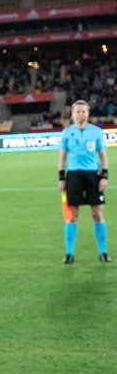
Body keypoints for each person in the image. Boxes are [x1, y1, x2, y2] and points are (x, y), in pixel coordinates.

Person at [58, 100, 110, 264]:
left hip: (92, 176)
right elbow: (63, 156)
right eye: (78, 112)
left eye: (84, 111)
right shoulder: (67, 133)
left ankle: (103, 252)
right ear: (72, 114)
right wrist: (61, 177)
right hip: (73, 176)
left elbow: (102, 155)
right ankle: (69, 253)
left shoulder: (96, 132)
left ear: (88, 113)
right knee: (72, 216)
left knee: (97, 214)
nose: (81, 114)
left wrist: (104, 176)